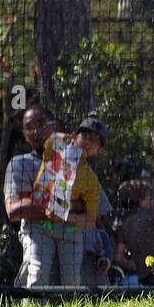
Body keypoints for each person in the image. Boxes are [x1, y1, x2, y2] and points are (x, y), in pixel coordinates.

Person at [36, 114, 108, 286]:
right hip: (39, 224)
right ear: (76, 135)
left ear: (99, 150)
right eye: (86, 135)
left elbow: (90, 219)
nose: (89, 141)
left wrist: (66, 215)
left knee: (72, 279)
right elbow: (48, 142)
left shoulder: (91, 180)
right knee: (37, 272)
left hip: (69, 229)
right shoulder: (57, 151)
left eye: (96, 140)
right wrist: (60, 136)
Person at [4, 105, 59, 287]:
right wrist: (63, 205)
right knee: (37, 277)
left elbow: (90, 208)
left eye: (41, 124)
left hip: (74, 236)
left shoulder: (73, 162)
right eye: (29, 127)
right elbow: (14, 210)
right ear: (24, 133)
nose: (36, 131)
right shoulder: (19, 164)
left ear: (54, 126)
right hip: (36, 234)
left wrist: (35, 202)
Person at [114, 179, 154, 286]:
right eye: (148, 197)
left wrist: (136, 265)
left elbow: (119, 257)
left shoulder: (123, 222)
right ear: (140, 199)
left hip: (142, 277)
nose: (151, 201)